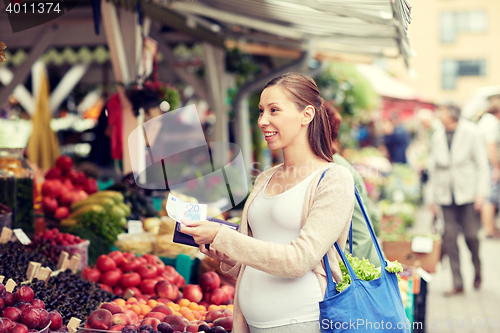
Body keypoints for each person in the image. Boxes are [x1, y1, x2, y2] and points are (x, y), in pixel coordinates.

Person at [180, 73, 355, 332]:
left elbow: (299, 260)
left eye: (274, 110)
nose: (263, 121)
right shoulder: (265, 177)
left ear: (307, 115)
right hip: (250, 323)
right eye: (261, 111)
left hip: (302, 322)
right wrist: (222, 252)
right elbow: (251, 256)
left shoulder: (334, 179)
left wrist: (224, 236)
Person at [428, 103, 490, 296]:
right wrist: (431, 198)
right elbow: (433, 168)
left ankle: (477, 269)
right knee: (450, 238)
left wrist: (481, 193)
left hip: (469, 193)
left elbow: (482, 164)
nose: (439, 114)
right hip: (445, 194)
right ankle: (458, 282)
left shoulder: (471, 132)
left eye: (443, 111)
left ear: (452, 114)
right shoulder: (437, 135)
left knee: (472, 236)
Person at [326, 102, 380, 266]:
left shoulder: (335, 167)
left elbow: (355, 233)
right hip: (359, 257)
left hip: (357, 261)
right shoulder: (334, 162)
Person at [476, 103, 500, 238]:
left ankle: (489, 227)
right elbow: (491, 146)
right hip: (489, 165)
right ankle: (489, 230)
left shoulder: (485, 121)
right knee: (490, 197)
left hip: (485, 164)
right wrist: (496, 167)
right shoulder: (491, 124)